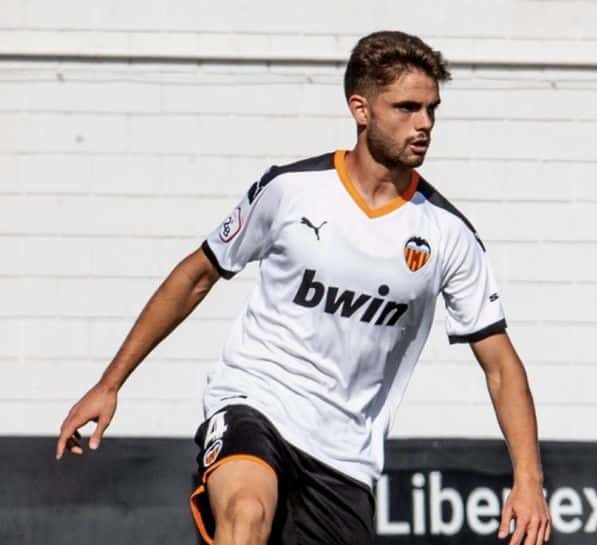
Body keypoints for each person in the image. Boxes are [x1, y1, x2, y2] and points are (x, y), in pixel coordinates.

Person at [56, 30, 551, 545]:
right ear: (360, 109)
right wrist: (110, 383)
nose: (424, 124)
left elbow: (500, 365)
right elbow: (195, 275)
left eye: (432, 109)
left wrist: (529, 480)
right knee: (246, 513)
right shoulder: (291, 189)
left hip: (344, 453)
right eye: (406, 107)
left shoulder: (449, 234)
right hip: (256, 399)